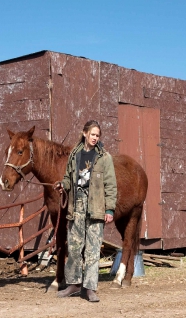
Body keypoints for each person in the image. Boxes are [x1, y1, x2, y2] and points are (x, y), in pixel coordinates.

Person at [54, 120, 117, 302]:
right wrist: (62, 185)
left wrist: (110, 210)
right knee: (74, 248)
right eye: (93, 134)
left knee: (92, 249)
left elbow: (111, 186)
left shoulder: (105, 158)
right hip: (76, 207)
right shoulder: (75, 155)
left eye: (98, 135)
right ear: (85, 133)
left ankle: (89, 288)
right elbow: (68, 178)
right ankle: (73, 285)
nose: (95, 138)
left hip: (96, 208)